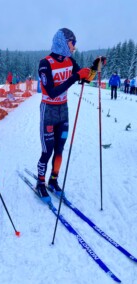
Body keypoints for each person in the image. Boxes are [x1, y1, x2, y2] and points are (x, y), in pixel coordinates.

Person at [36, 28, 92, 202]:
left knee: (59, 149)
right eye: (72, 43)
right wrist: (75, 76)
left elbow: (85, 77)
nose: (74, 47)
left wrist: (94, 68)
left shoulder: (70, 61)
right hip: (49, 110)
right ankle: (40, 183)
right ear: (62, 42)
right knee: (48, 150)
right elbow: (52, 91)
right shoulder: (45, 63)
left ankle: (53, 181)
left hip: (63, 110)